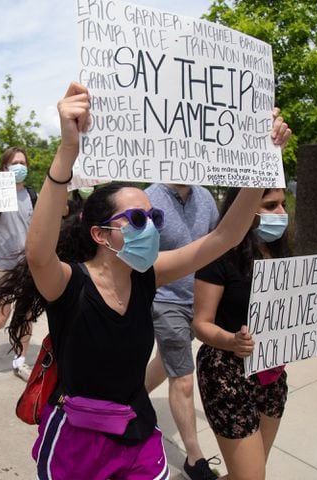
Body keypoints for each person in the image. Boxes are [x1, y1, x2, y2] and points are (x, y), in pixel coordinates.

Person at [0, 82, 291, 479]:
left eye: (155, 218)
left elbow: (224, 237)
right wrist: (67, 150)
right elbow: (38, 253)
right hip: (79, 443)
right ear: (99, 234)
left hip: (138, 436)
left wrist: (263, 161)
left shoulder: (149, 276)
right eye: (140, 220)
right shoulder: (69, 284)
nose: (152, 228)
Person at [192, 187, 317, 480]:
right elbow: (201, 324)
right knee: (252, 476)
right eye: (271, 205)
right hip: (226, 375)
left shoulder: (282, 255)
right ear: (244, 208)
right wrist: (232, 341)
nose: (282, 213)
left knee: (252, 471)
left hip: (271, 376)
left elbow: (307, 308)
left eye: (283, 205)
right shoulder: (219, 256)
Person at [143, 183, 220, 480]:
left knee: (167, 361)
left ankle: (131, 397)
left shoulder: (205, 197)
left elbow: (219, 242)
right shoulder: (150, 197)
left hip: (201, 297)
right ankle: (194, 457)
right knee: (183, 376)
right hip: (165, 300)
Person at [0, 146, 38, 381]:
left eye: (22, 163)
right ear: (4, 168)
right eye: (14, 163)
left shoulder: (33, 196)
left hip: (27, 265)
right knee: (1, 315)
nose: (19, 167)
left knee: (25, 315)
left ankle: (20, 361)